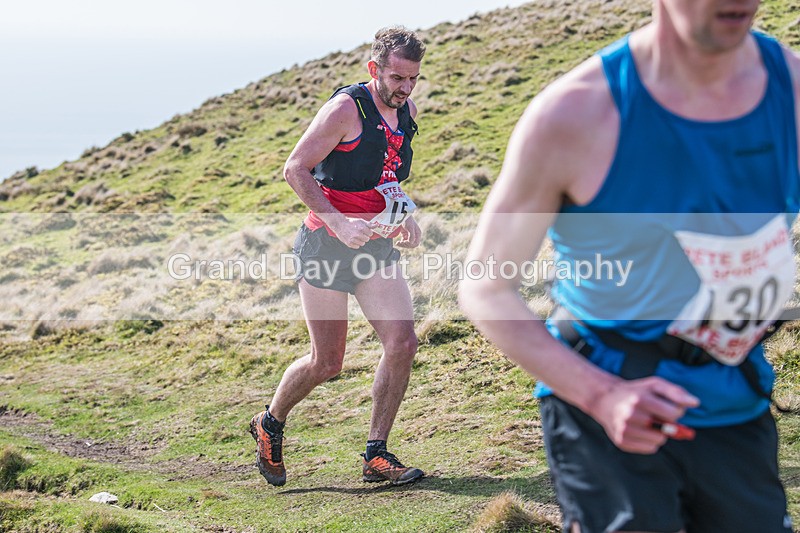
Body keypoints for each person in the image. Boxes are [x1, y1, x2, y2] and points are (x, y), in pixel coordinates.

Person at [460, 1, 798, 531]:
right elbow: (484, 287)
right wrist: (602, 395)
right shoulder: (574, 115)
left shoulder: (792, 89)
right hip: (607, 406)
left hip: (735, 394)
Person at [250, 26, 426, 487]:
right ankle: (269, 422)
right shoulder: (346, 109)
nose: (405, 88)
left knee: (402, 343)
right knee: (327, 362)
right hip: (325, 246)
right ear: (374, 69)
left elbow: (384, 174)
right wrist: (338, 222)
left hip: (376, 246)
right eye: (396, 78)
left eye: (413, 79)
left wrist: (402, 211)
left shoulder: (405, 111)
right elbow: (294, 169)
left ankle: (376, 454)